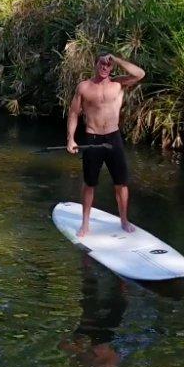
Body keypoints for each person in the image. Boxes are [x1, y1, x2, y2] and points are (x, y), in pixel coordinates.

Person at [65, 52, 145, 237]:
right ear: (95, 64)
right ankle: (85, 224)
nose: (105, 67)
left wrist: (116, 59)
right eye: (102, 63)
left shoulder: (119, 83)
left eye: (108, 64)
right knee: (89, 183)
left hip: (113, 138)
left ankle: (124, 220)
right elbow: (73, 113)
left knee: (121, 183)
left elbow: (140, 74)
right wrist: (71, 138)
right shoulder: (84, 87)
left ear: (112, 67)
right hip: (92, 138)